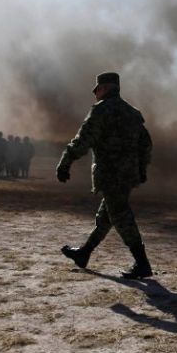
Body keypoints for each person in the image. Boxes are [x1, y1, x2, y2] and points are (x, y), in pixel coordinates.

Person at [56, 72, 154, 279]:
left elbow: (83, 140)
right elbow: (145, 144)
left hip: (110, 173)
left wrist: (65, 163)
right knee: (106, 216)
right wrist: (141, 169)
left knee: (120, 215)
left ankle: (143, 264)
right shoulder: (132, 113)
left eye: (97, 88)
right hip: (127, 174)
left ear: (107, 87)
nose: (95, 92)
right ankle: (84, 253)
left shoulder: (101, 111)